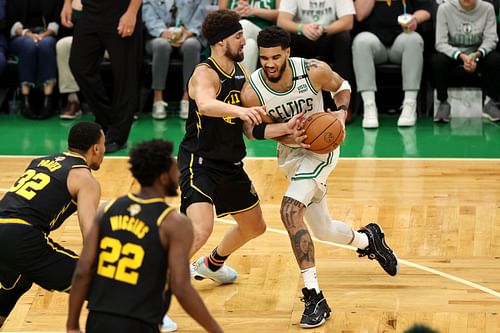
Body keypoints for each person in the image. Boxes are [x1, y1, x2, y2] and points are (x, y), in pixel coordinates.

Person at [240, 26, 399, 329]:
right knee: (323, 230)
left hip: (321, 151)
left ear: (287, 53)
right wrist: (286, 131)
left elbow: (343, 86)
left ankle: (314, 296)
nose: (270, 64)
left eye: (276, 57)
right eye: (264, 59)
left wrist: (339, 113)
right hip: (291, 154)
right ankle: (370, 239)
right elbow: (252, 130)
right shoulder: (253, 89)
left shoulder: (313, 70)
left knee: (289, 211)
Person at [178, 10, 300, 286]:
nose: (244, 41)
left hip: (230, 164)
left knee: (254, 227)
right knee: (201, 228)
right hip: (200, 162)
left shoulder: (240, 72)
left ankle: (211, 264)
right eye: (238, 36)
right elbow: (206, 105)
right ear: (222, 42)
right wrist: (242, 111)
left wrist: (287, 129)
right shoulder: (204, 74)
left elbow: (250, 129)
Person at [66, 139, 223, 333]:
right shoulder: (173, 223)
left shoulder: (107, 210)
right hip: (139, 322)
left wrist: (72, 325)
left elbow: (83, 270)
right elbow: (181, 287)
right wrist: (216, 330)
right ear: (163, 178)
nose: (178, 173)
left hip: (98, 319)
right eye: (175, 169)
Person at [0, 122, 105, 328]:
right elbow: (90, 232)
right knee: (101, 283)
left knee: (18, 281)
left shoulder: (40, 161)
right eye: (104, 144)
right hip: (20, 236)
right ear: (96, 148)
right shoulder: (84, 178)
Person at [62, 0, 143, 153]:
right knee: (78, 64)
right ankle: (106, 119)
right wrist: (67, 3)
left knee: (125, 75)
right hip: (90, 9)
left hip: (122, 9)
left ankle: (119, 135)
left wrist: (132, 12)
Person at [352, 0, 432, 128]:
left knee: (414, 39)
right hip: (375, 43)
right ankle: (369, 105)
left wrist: (414, 19)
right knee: (361, 42)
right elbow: (360, 15)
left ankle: (410, 104)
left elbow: (427, 8)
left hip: (401, 39)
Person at [277, 0, 356, 121]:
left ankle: (344, 107)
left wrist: (324, 29)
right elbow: (282, 21)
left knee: (343, 38)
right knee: (288, 40)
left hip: (328, 34)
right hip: (301, 36)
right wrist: (302, 27)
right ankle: (293, 106)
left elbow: (348, 21)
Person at [432, 0, 500, 122]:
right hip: (454, 54)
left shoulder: (488, 8)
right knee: (438, 61)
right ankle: (443, 103)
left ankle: (490, 102)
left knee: (496, 59)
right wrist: (461, 56)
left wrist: (476, 55)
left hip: (477, 53)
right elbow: (440, 43)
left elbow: (491, 40)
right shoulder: (444, 9)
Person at [142, 0, 207, 120]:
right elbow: (148, 15)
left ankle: (187, 98)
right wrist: (162, 32)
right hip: (158, 36)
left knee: (192, 45)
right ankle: (158, 99)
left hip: (188, 35)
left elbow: (201, 14)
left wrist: (189, 32)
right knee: (162, 45)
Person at [7, 0, 61, 119]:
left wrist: (43, 35)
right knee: (28, 45)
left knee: (46, 45)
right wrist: (28, 34)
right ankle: (25, 99)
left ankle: (48, 99)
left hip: (47, 34)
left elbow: (57, 20)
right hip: (21, 35)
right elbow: (10, 21)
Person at [219, 0, 281, 73]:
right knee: (251, 45)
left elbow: (281, 14)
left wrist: (253, 11)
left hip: (265, 34)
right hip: (233, 32)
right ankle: (244, 82)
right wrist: (234, 13)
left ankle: (223, 71)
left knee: (244, 25)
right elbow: (220, 15)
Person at [57, 0, 83, 120]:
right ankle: (73, 100)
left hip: (114, 38)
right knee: (63, 45)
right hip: (86, 39)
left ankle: (124, 103)